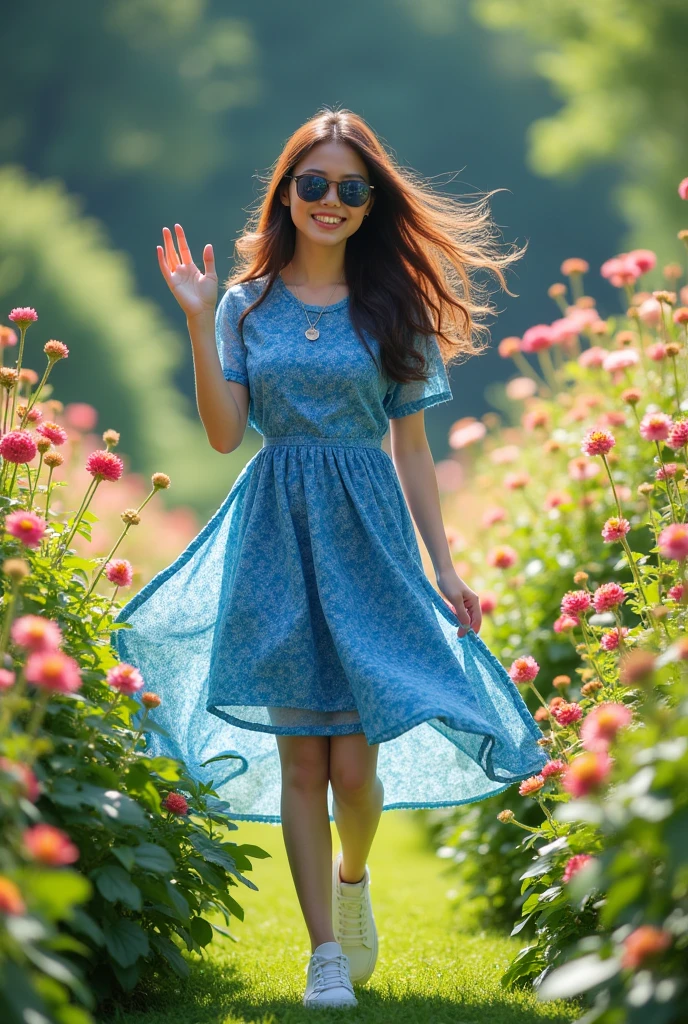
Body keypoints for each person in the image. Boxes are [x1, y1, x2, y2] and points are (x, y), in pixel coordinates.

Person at [112, 105, 549, 1009]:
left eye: (351, 189)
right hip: (276, 535)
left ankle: (354, 879)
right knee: (303, 762)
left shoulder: (394, 304)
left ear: (368, 203)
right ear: (286, 191)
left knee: (356, 767)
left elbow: (416, 454)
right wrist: (199, 323)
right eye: (314, 184)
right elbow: (229, 435)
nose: (331, 201)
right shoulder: (245, 304)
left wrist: (448, 567)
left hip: (371, 536)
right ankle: (322, 954)